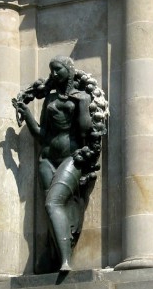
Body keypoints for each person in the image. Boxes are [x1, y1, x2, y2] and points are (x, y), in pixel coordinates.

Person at [13, 56, 108, 271]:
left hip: (71, 159)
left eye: (57, 70)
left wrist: (82, 103)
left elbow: (85, 131)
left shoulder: (81, 98)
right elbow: (42, 134)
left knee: (52, 203)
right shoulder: (50, 100)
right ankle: (57, 255)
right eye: (51, 70)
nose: (53, 74)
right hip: (46, 159)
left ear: (69, 71)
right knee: (53, 209)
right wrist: (27, 113)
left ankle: (65, 261)